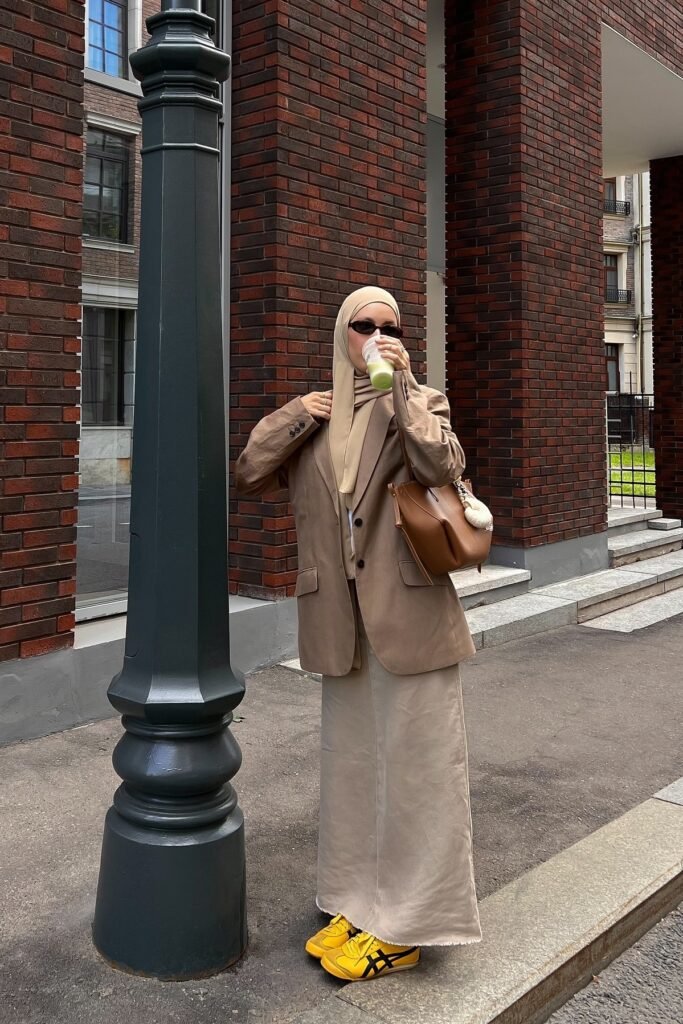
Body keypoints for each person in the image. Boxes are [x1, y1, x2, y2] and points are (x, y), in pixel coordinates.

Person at [235, 285, 481, 982]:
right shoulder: (316, 418)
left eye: (390, 326)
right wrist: (297, 412)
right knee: (351, 767)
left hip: (409, 613)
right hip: (338, 621)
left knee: (420, 772)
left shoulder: (419, 399)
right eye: (363, 325)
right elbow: (249, 472)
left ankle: (407, 926)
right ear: (341, 333)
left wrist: (399, 387)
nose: (376, 335)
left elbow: (442, 466)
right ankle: (354, 900)